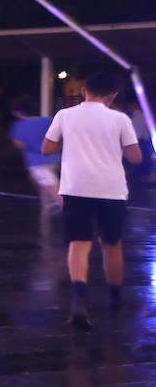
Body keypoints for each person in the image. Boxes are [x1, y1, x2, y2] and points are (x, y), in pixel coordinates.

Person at [43, 71, 141, 330]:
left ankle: (79, 300)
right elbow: (135, 157)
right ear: (113, 96)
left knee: (78, 244)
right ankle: (115, 298)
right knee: (111, 244)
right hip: (111, 190)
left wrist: (71, 139)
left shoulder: (65, 115)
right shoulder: (120, 119)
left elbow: (46, 148)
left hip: (75, 188)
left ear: (84, 90)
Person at [9, 95, 60, 214]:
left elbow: (19, 143)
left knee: (51, 185)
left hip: (36, 161)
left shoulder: (19, 125)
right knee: (35, 178)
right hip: (54, 157)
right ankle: (50, 201)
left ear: (19, 112)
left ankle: (65, 208)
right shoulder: (49, 121)